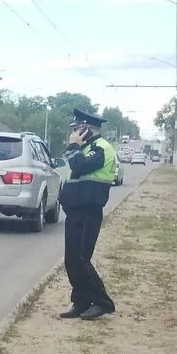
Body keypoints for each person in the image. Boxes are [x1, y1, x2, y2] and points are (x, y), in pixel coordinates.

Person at [58, 108, 117, 321]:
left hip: (89, 210)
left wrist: (74, 145)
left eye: (77, 129)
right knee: (71, 260)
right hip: (76, 210)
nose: (74, 132)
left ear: (88, 129)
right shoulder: (89, 147)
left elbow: (79, 166)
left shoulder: (101, 148)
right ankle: (81, 301)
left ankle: (103, 302)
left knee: (81, 258)